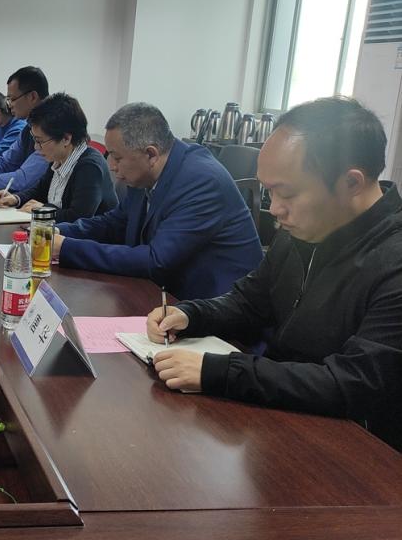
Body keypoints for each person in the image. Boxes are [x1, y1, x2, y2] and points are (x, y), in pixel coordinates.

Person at [149, 96, 402, 450]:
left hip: (355, 453)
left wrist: (221, 372)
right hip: (278, 425)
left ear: (351, 183)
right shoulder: (307, 229)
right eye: (268, 192)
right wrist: (191, 315)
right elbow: (250, 302)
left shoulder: (392, 261)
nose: (275, 210)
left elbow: (354, 383)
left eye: (286, 194)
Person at [53, 102, 262, 300]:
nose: (112, 166)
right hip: (168, 295)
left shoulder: (201, 181)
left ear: (151, 154)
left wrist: (66, 248)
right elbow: (114, 223)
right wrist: (53, 232)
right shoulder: (145, 174)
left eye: (117, 158)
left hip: (216, 307)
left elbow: (156, 261)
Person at [0, 92, 117, 223]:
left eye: (40, 141)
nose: (36, 147)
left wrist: (44, 210)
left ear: (66, 139)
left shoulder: (90, 167)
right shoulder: (59, 158)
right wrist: (16, 198)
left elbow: (79, 218)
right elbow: (40, 190)